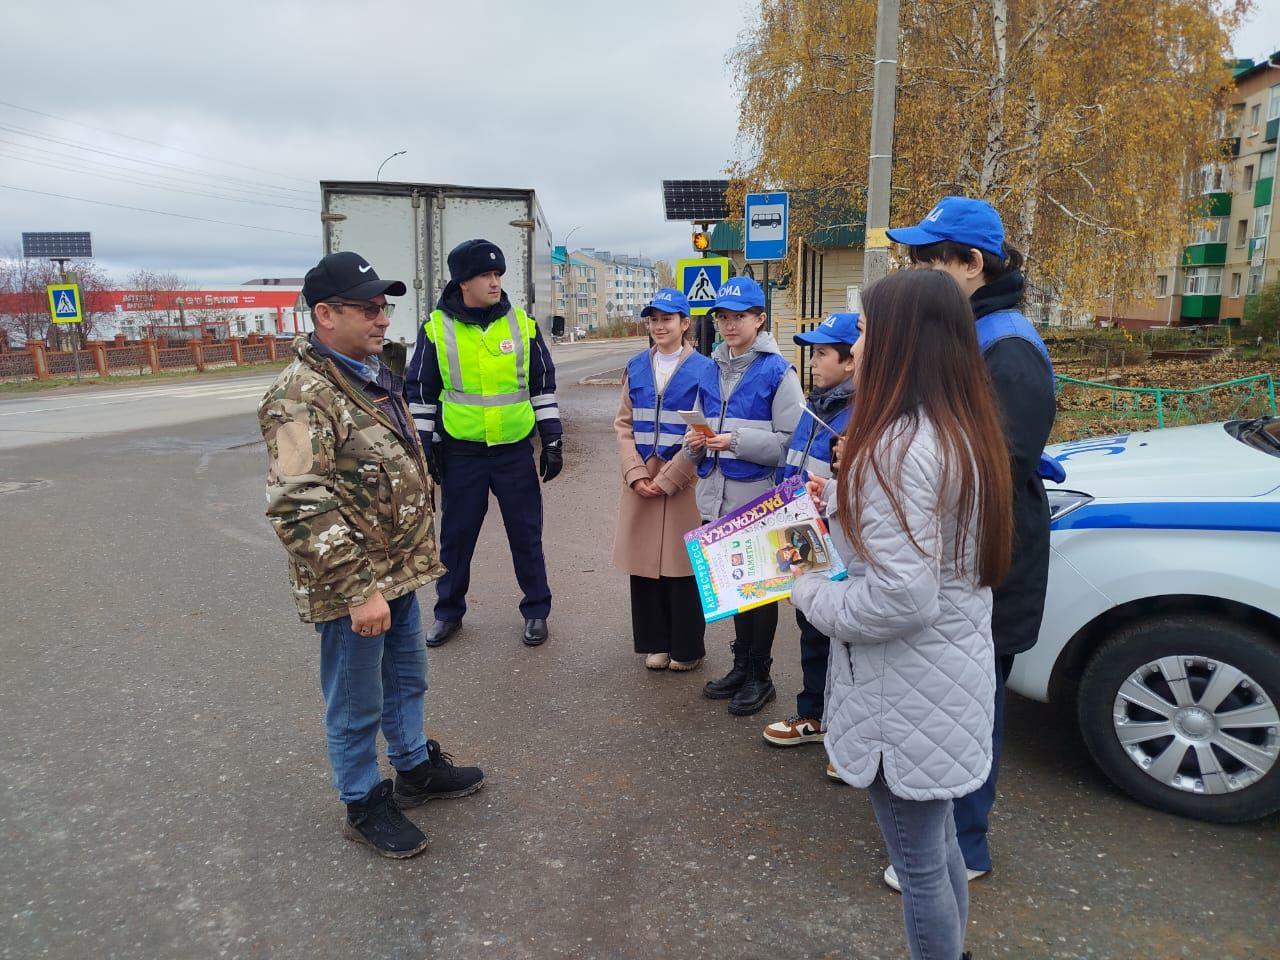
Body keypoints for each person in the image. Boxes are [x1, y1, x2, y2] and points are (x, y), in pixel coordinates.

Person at [790, 269, 1013, 960]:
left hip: (902, 696)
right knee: (939, 844)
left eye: (862, 331)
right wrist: (841, 502)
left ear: (898, 343)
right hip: (947, 680)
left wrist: (804, 588)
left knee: (917, 864)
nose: (854, 348)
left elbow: (899, 597)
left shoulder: (890, 449)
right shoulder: (963, 428)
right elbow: (931, 555)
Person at [258, 251, 484, 859]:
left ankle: (413, 767)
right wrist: (360, 590)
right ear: (325, 315)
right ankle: (363, 800)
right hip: (353, 583)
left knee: (408, 678)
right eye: (368, 308)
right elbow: (298, 504)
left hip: (399, 569)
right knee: (358, 701)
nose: (383, 319)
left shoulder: (370, 372)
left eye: (384, 307)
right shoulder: (299, 397)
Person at [883, 195, 1057, 890]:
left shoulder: (1006, 348)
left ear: (971, 263)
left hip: (991, 560)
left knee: (972, 705)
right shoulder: (974, 334)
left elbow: (991, 467)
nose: (919, 271)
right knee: (952, 697)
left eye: (930, 259)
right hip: (967, 554)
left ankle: (966, 848)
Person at [405, 239, 563, 649]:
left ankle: (536, 610)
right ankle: (448, 613)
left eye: (498, 275)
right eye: (485, 276)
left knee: (526, 535)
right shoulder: (436, 329)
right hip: (463, 453)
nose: (495, 283)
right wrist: (425, 448)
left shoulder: (521, 324)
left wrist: (552, 439)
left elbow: (542, 385)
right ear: (463, 282)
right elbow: (421, 393)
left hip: (513, 452)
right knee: (457, 538)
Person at [684, 276, 805, 715]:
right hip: (715, 495)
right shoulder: (709, 367)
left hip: (757, 498)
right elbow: (695, 426)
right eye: (723, 317)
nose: (730, 325)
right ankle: (740, 665)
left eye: (740, 317)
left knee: (761, 592)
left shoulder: (778, 371)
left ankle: (761, 675)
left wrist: (732, 441)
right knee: (736, 588)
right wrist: (694, 443)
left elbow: (792, 441)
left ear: (760, 319)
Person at [759, 312, 858, 748]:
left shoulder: (862, 413)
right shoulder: (813, 405)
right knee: (810, 629)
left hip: (839, 541)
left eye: (822, 353)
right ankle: (813, 715)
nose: (812, 362)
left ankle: (847, 735)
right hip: (803, 535)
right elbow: (790, 466)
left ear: (851, 360)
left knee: (846, 643)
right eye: (812, 352)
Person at [612, 288, 718, 671]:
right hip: (642, 477)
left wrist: (672, 477)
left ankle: (687, 648)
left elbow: (706, 429)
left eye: (667, 319)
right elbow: (623, 424)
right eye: (653, 319)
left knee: (682, 567)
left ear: (685, 324)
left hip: (683, 479)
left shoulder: (705, 369)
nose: (659, 326)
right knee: (644, 566)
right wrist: (635, 473)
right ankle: (655, 643)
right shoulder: (637, 365)